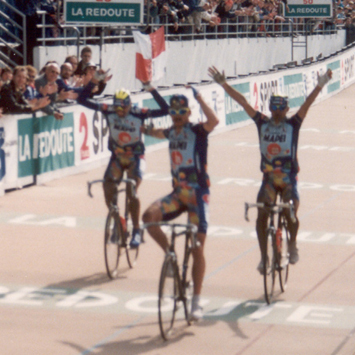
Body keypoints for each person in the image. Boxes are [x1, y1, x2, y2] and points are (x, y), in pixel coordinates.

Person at [208, 65, 332, 274]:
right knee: (262, 216)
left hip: (289, 179)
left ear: (286, 109)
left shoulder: (294, 124)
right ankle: (264, 257)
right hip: (269, 180)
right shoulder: (262, 122)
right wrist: (223, 84)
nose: (275, 113)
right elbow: (243, 102)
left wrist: (320, 84)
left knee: (290, 209)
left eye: (279, 109)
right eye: (273, 109)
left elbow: (308, 103)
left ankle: (292, 244)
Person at [142, 89, 219, 321]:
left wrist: (200, 100)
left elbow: (214, 121)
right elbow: (157, 133)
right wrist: (145, 129)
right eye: (173, 112)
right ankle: (170, 254)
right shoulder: (171, 132)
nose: (176, 116)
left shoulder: (196, 130)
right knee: (148, 217)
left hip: (198, 196)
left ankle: (196, 300)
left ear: (188, 113)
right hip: (177, 195)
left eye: (181, 112)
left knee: (197, 247)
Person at [78, 72, 170, 249]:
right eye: (118, 108)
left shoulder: (139, 112)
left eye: (124, 108)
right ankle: (118, 220)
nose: (120, 112)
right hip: (117, 157)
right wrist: (94, 81)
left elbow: (166, 110)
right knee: (107, 188)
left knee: (131, 191)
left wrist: (151, 89)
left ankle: (136, 229)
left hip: (136, 157)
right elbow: (81, 101)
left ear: (130, 105)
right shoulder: (108, 110)